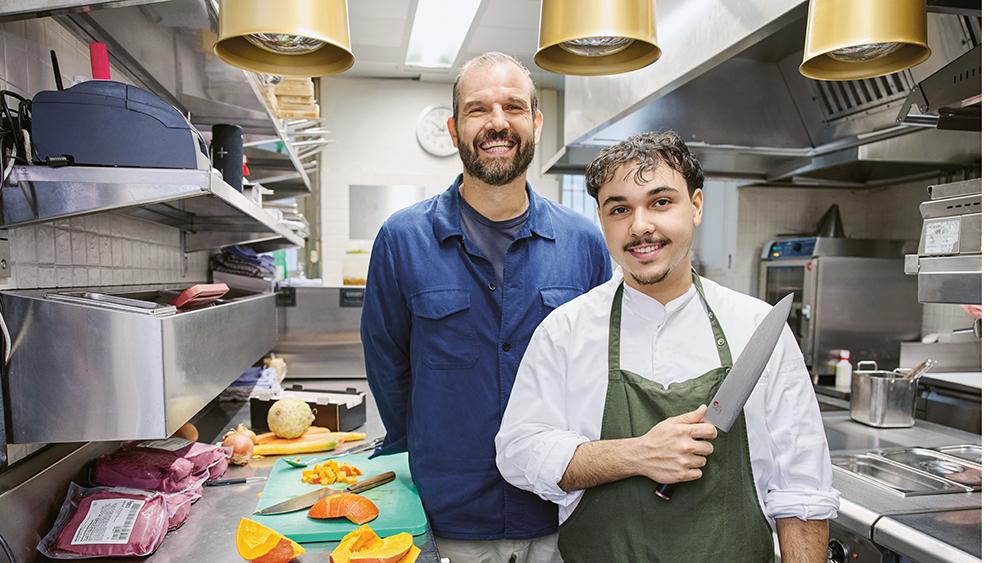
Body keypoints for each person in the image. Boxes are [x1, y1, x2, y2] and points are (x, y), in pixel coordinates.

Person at [495, 131, 839, 562]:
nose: (640, 226)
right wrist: (638, 454)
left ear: (695, 206)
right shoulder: (565, 331)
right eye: (620, 208)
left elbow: (803, 489)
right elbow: (518, 451)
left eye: (660, 202)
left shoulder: (755, 328)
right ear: (601, 219)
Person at [360, 52, 611, 562]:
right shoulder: (402, 239)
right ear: (454, 129)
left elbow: (597, 373)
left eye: (514, 107)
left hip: (558, 512)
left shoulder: (583, 241)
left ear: (535, 123)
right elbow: (388, 368)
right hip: (448, 516)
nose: (498, 123)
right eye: (478, 110)